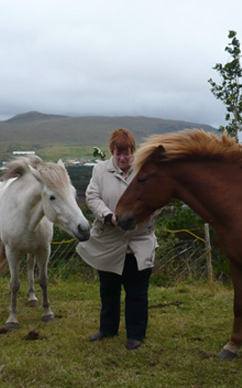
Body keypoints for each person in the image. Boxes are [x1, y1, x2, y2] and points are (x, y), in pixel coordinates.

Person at [76, 128, 158, 350]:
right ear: (112, 152)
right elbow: (91, 197)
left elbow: (155, 200)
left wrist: (137, 217)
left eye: (127, 153)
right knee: (108, 290)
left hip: (139, 242)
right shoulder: (100, 171)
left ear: (134, 151)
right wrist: (108, 216)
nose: (123, 158)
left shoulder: (145, 171)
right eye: (118, 153)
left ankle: (136, 334)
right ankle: (107, 329)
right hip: (108, 242)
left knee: (137, 293)